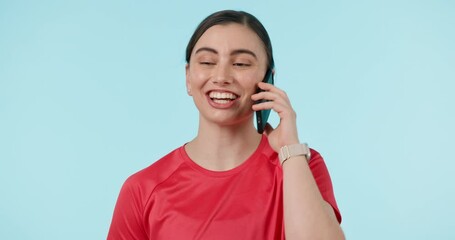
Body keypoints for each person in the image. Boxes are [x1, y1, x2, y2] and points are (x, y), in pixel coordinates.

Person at [107, 10, 344, 240]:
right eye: (208, 62)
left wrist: (290, 150)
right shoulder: (142, 189)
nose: (221, 76)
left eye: (241, 64)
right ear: (188, 77)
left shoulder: (301, 166)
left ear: (268, 79)